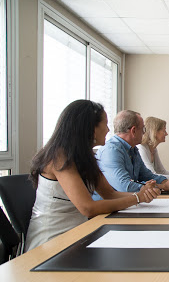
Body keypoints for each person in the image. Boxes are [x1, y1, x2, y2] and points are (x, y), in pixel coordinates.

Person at [25, 100, 161, 252]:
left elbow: (109, 193)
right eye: (105, 124)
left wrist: (141, 194)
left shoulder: (86, 156)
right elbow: (87, 208)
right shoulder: (59, 157)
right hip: (52, 241)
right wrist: (137, 198)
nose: (108, 129)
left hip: (79, 232)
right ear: (90, 128)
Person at [95, 110, 169, 197]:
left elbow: (146, 175)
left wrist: (168, 182)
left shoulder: (133, 149)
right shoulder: (111, 151)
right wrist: (163, 186)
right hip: (108, 211)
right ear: (133, 131)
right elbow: (125, 187)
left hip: (126, 204)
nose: (144, 132)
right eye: (143, 129)